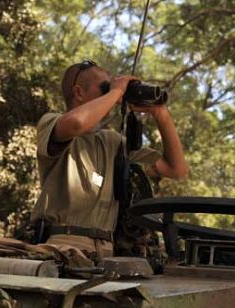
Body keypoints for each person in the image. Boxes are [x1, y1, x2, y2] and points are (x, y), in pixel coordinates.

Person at [30, 60, 188, 259]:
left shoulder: (112, 142)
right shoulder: (51, 122)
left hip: (106, 251)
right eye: (105, 87)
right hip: (62, 246)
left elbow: (177, 169)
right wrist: (115, 92)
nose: (113, 92)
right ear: (79, 93)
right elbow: (77, 123)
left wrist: (160, 113)